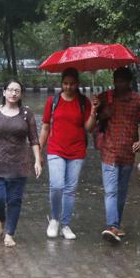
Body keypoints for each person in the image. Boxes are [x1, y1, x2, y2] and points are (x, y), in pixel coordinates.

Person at [0, 80, 42, 247]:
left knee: (14, 200)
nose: (14, 93)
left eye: (17, 91)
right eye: (11, 90)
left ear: (21, 94)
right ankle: (1, 219)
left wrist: (38, 160)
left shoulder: (26, 114)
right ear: (4, 92)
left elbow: (34, 139)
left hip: (19, 164)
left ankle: (9, 233)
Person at [92, 67, 140, 242]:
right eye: (116, 80)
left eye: (122, 81)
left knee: (121, 191)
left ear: (129, 82)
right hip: (109, 152)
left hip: (127, 154)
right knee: (110, 191)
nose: (118, 84)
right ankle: (113, 226)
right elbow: (93, 120)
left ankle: (116, 224)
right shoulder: (106, 97)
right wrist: (98, 110)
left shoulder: (138, 101)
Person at [39, 68, 96, 240]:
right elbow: (45, 127)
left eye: (72, 84)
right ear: (61, 84)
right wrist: (38, 150)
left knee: (70, 190)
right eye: (65, 83)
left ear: (77, 84)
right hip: (56, 148)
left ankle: (65, 224)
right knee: (57, 185)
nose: (68, 87)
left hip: (77, 151)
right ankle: (54, 220)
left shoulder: (84, 102)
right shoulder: (53, 101)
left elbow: (89, 128)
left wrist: (93, 112)